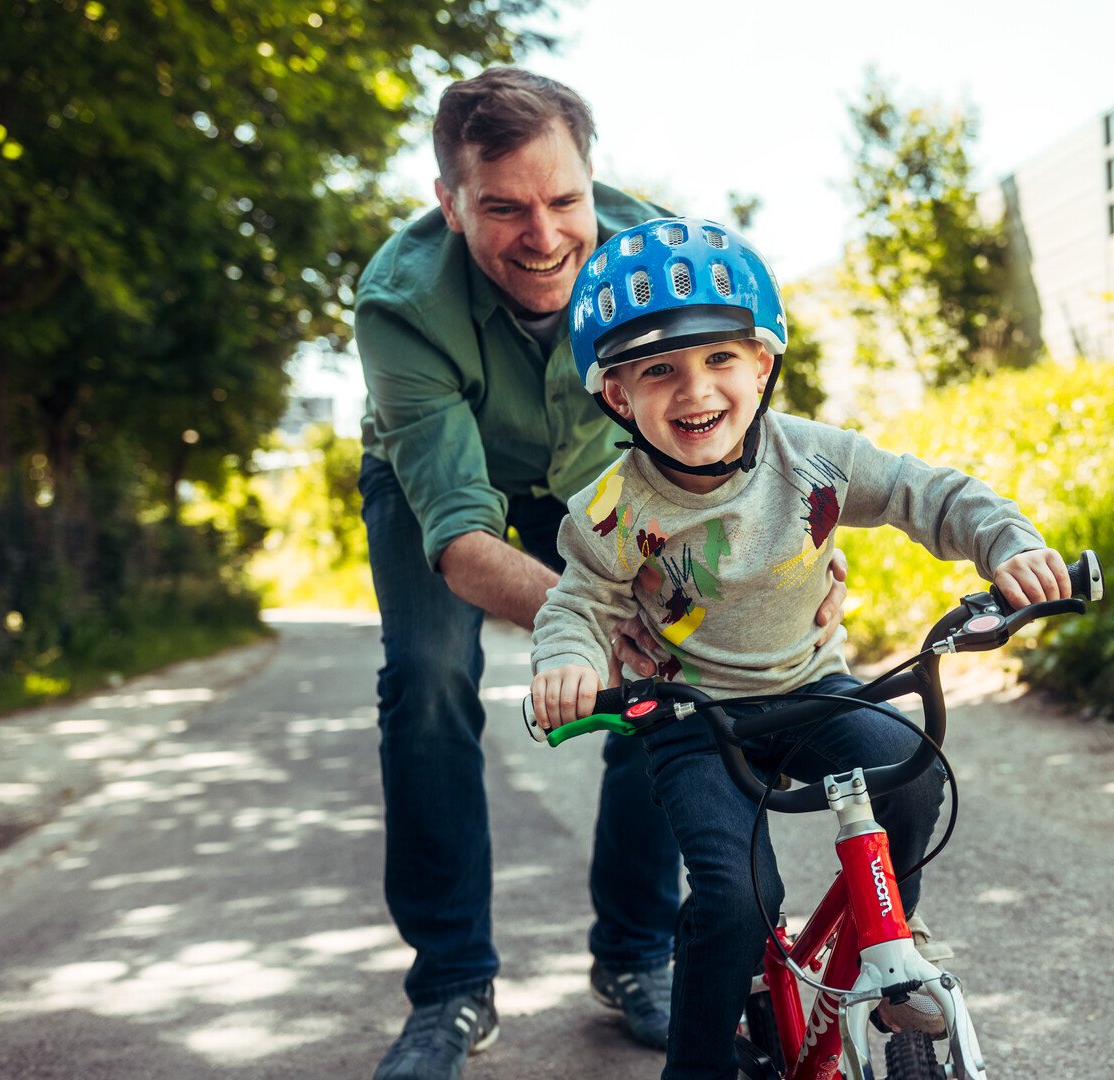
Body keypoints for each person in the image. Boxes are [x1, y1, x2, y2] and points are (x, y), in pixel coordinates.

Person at [352, 70, 848, 1080]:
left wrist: (778, 574)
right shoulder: (400, 305)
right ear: (449, 203)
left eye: (563, 200)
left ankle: (634, 956)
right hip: (443, 488)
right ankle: (450, 986)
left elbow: (741, 441)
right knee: (427, 681)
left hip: (606, 470)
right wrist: (598, 622)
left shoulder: (655, 253)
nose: (544, 236)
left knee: (666, 678)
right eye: (503, 208)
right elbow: (459, 540)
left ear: (591, 179)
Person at [528, 216, 1070, 1080]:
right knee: (740, 902)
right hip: (694, 717)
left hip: (814, 686)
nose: (693, 388)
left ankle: (894, 938)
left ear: (764, 364)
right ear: (617, 397)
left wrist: (1006, 545)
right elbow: (579, 601)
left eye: (719, 360)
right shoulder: (612, 508)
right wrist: (569, 663)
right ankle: (698, 1064)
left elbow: (925, 492)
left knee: (915, 765)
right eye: (658, 369)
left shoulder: (811, 459)